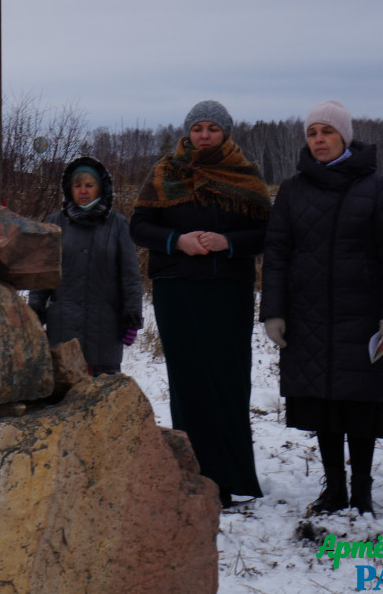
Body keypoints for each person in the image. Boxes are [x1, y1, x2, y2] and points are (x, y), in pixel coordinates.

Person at [260, 100, 383, 517]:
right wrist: (274, 311)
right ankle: (335, 489)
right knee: (322, 403)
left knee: (359, 404)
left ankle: (361, 490)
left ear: (344, 135)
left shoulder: (374, 186)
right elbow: (277, 252)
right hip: (308, 315)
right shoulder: (293, 189)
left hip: (362, 315)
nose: (319, 140)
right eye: (312, 133)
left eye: (326, 131)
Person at [130, 100, 272, 508]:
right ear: (187, 132)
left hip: (229, 290)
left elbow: (266, 231)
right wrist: (178, 242)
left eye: (212, 128)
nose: (204, 135)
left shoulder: (245, 175)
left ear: (225, 133)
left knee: (227, 380)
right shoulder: (165, 173)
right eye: (198, 128)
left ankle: (231, 477)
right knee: (189, 382)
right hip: (178, 290)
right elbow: (139, 226)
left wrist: (230, 243)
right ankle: (194, 475)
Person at [27, 157, 144, 376]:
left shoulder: (117, 225)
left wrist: (132, 316)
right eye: (77, 185)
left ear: (100, 189)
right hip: (63, 327)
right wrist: (35, 310)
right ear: (68, 189)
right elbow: (41, 274)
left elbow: (130, 277)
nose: (83, 191)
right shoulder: (55, 223)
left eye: (89, 185)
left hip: (105, 328)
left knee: (103, 401)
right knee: (63, 401)